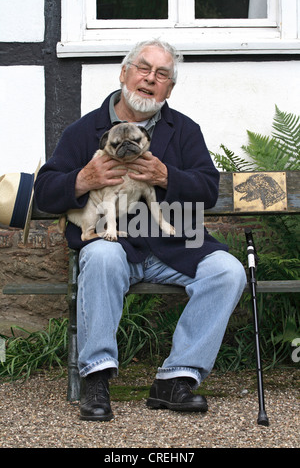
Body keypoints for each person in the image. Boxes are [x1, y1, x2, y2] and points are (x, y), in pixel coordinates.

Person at [35, 39, 246, 421]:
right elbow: (46, 192)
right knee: (98, 256)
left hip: (178, 242)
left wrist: (168, 175)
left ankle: (177, 377)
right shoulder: (86, 130)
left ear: (170, 87)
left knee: (228, 271)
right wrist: (82, 179)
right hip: (113, 238)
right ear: (124, 73)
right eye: (143, 69)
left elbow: (209, 189)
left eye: (161, 74)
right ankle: (96, 379)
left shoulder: (183, 130)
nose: (150, 80)